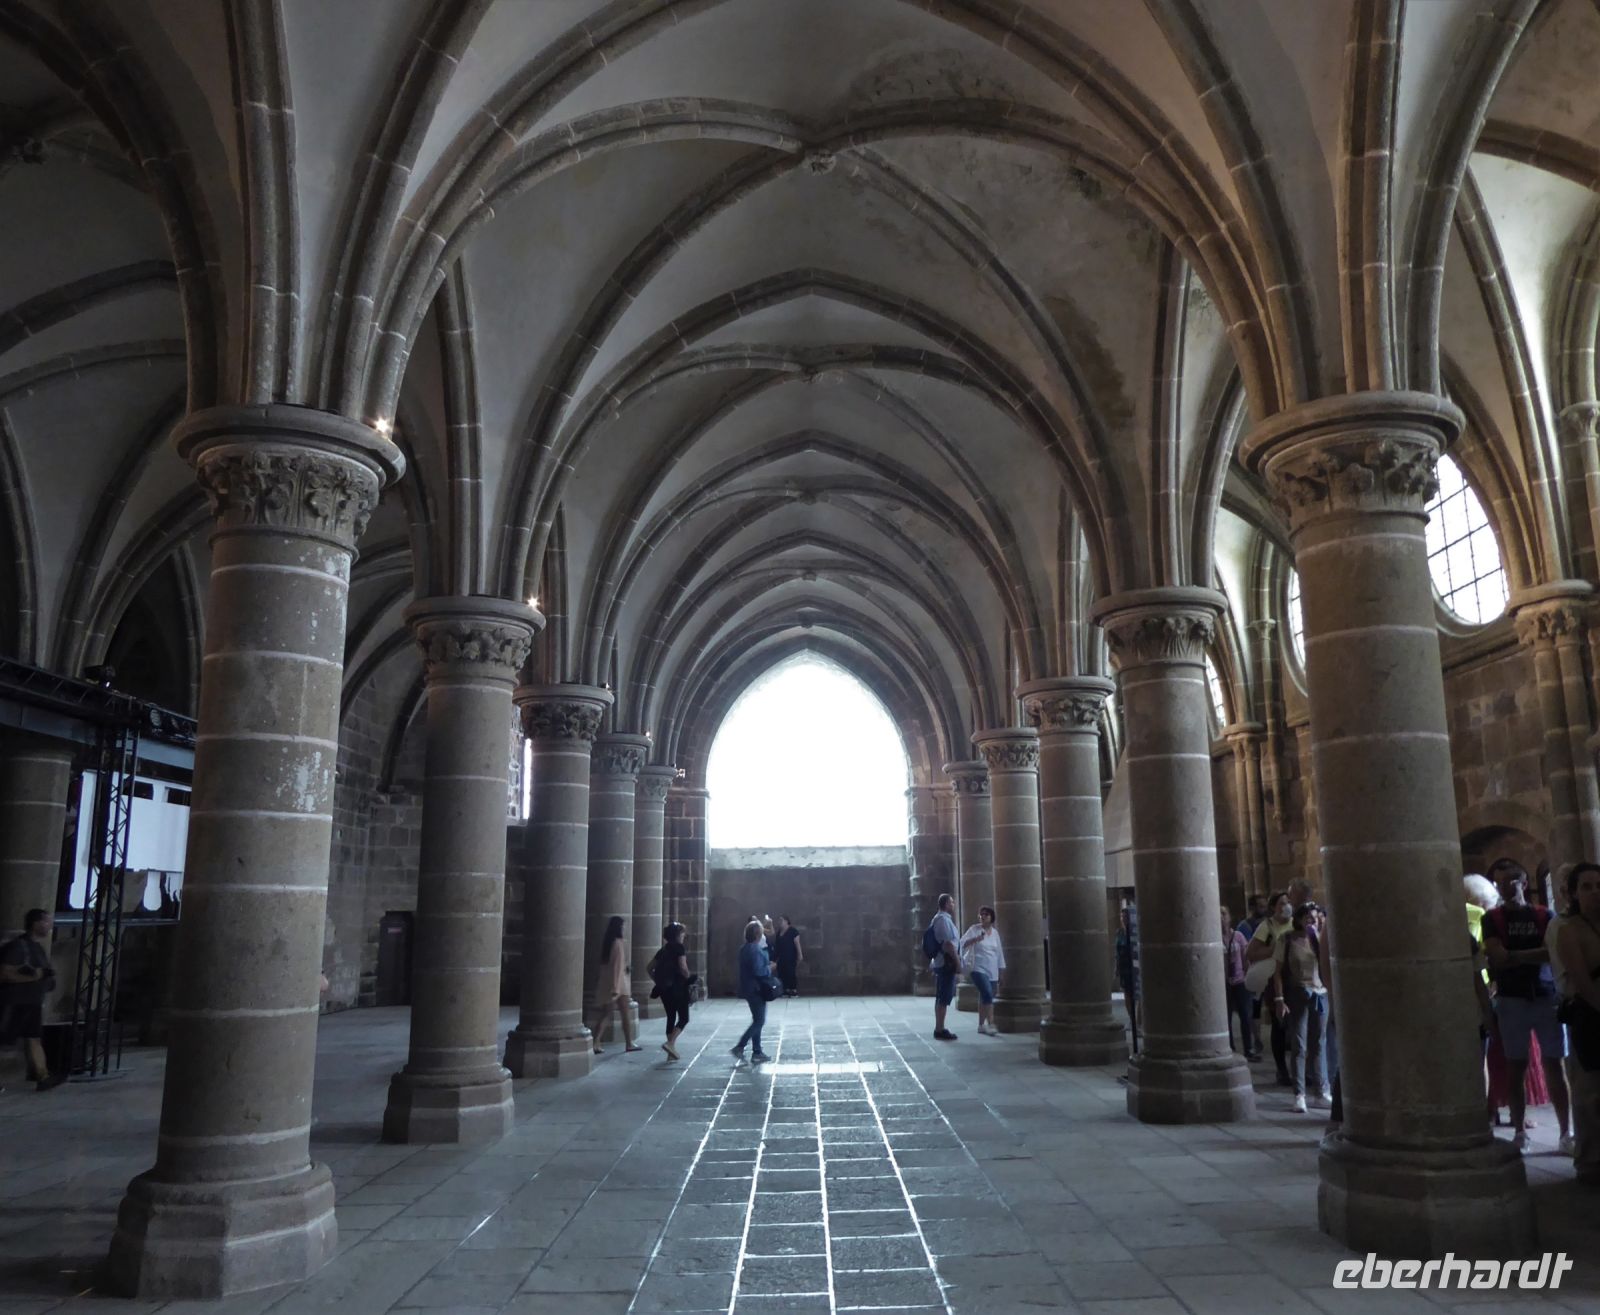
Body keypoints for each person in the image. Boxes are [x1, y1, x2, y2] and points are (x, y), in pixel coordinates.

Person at [1482, 858, 1569, 1153]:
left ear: (1522, 882)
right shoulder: (1491, 918)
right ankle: (1520, 1131)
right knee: (1515, 1066)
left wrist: (1515, 956)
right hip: (1512, 998)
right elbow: (1497, 956)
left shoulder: (1544, 914)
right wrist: (1531, 954)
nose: (1504, 888)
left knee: (1554, 1064)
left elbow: (1553, 953)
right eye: (1499, 883)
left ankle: (1565, 1132)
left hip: (1545, 995)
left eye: (1510, 881)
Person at [1554, 862, 1600, 1182]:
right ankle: (1591, 1162)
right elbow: (1582, 981)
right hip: (1591, 1016)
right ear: (1573, 893)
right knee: (1590, 1094)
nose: (1595, 892)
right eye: (1586, 886)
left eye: (1599, 885)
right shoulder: (1569, 930)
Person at [1271, 902, 1329, 1114]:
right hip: (1298, 992)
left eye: (1314, 917)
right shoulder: (1286, 939)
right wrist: (1279, 998)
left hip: (1320, 993)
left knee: (1319, 1043)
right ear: (1299, 918)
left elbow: (1327, 966)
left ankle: (1321, 1091)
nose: (1311, 921)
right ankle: (1299, 1094)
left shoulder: (1320, 939)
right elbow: (1277, 972)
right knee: (1299, 1044)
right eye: (1307, 917)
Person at [0, 909, 64, 1091]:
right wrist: (36, 977)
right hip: (14, 1002)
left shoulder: (38, 948)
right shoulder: (19, 946)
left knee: (34, 1039)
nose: (49, 925)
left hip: (32, 1003)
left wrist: (46, 980)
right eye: (46, 921)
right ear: (35, 923)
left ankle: (43, 1077)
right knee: (4, 1042)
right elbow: (4, 973)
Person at [1249, 890, 1295, 1084]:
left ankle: (1301, 1069)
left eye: (1288, 902)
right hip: (1276, 979)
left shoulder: (1296, 923)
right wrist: (1275, 948)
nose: (1286, 906)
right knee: (1279, 1024)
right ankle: (1282, 1069)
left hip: (1296, 979)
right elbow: (1251, 953)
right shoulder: (1267, 926)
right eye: (1281, 903)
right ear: (1273, 907)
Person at [588, 915, 640, 1055]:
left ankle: (596, 1041)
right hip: (618, 985)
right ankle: (628, 1043)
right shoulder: (618, 943)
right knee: (623, 1015)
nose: (625, 929)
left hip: (609, 982)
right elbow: (617, 967)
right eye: (623, 926)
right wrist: (616, 988)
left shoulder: (608, 942)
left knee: (607, 1014)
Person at [732, 920, 774, 1063]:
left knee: (757, 1019)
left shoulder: (745, 948)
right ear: (758, 934)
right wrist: (770, 968)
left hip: (749, 988)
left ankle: (757, 1051)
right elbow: (758, 971)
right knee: (759, 1021)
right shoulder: (754, 950)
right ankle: (740, 1046)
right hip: (756, 989)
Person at [959, 906, 1005, 1036]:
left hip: (992, 969)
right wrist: (976, 939)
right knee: (987, 992)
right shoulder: (974, 929)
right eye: (981, 914)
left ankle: (980, 1025)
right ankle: (991, 1023)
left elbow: (999, 953)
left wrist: (1001, 972)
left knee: (985, 996)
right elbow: (961, 943)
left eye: (986, 914)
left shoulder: (995, 933)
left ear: (991, 917)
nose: (983, 916)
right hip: (977, 967)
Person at [651, 922, 694, 1061]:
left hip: (664, 989)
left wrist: (658, 981)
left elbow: (648, 968)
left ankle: (671, 1053)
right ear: (677, 935)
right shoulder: (679, 948)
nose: (684, 936)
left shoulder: (663, 950)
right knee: (684, 1018)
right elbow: (683, 967)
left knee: (671, 1017)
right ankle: (670, 1043)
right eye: (682, 933)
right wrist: (690, 978)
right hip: (678, 988)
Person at [1222, 909, 1257, 1060]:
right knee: (1226, 1017)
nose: (1221, 918)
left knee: (1245, 1015)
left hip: (1239, 980)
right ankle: (1229, 1047)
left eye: (1224, 914)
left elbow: (1246, 957)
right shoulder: (1214, 938)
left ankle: (1249, 1048)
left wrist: (1247, 976)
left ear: (1229, 918)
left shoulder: (1238, 936)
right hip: (1224, 983)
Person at [927, 893, 961, 1041]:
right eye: (952, 902)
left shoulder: (942, 919)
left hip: (943, 962)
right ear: (946, 904)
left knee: (942, 996)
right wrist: (958, 962)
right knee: (943, 997)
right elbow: (948, 944)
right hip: (946, 963)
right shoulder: (942, 920)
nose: (953, 905)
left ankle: (939, 1027)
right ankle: (939, 1028)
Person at [1115, 903, 1138, 1045]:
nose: (1123, 919)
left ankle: (1137, 1021)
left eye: (1125, 916)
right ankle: (1132, 1019)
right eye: (1122, 916)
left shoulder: (1135, 932)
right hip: (1124, 966)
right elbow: (1117, 952)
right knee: (1127, 995)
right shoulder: (1120, 933)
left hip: (1133, 966)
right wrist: (1116, 968)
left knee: (1137, 995)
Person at [773, 915, 803, 997]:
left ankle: (793, 990)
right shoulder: (779, 932)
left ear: (786, 921)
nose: (779, 922)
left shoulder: (793, 931)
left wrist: (800, 955)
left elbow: (797, 944)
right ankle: (785, 990)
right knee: (782, 973)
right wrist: (774, 959)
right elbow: (777, 947)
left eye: (781, 920)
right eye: (779, 920)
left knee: (791, 973)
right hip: (781, 957)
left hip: (791, 957)